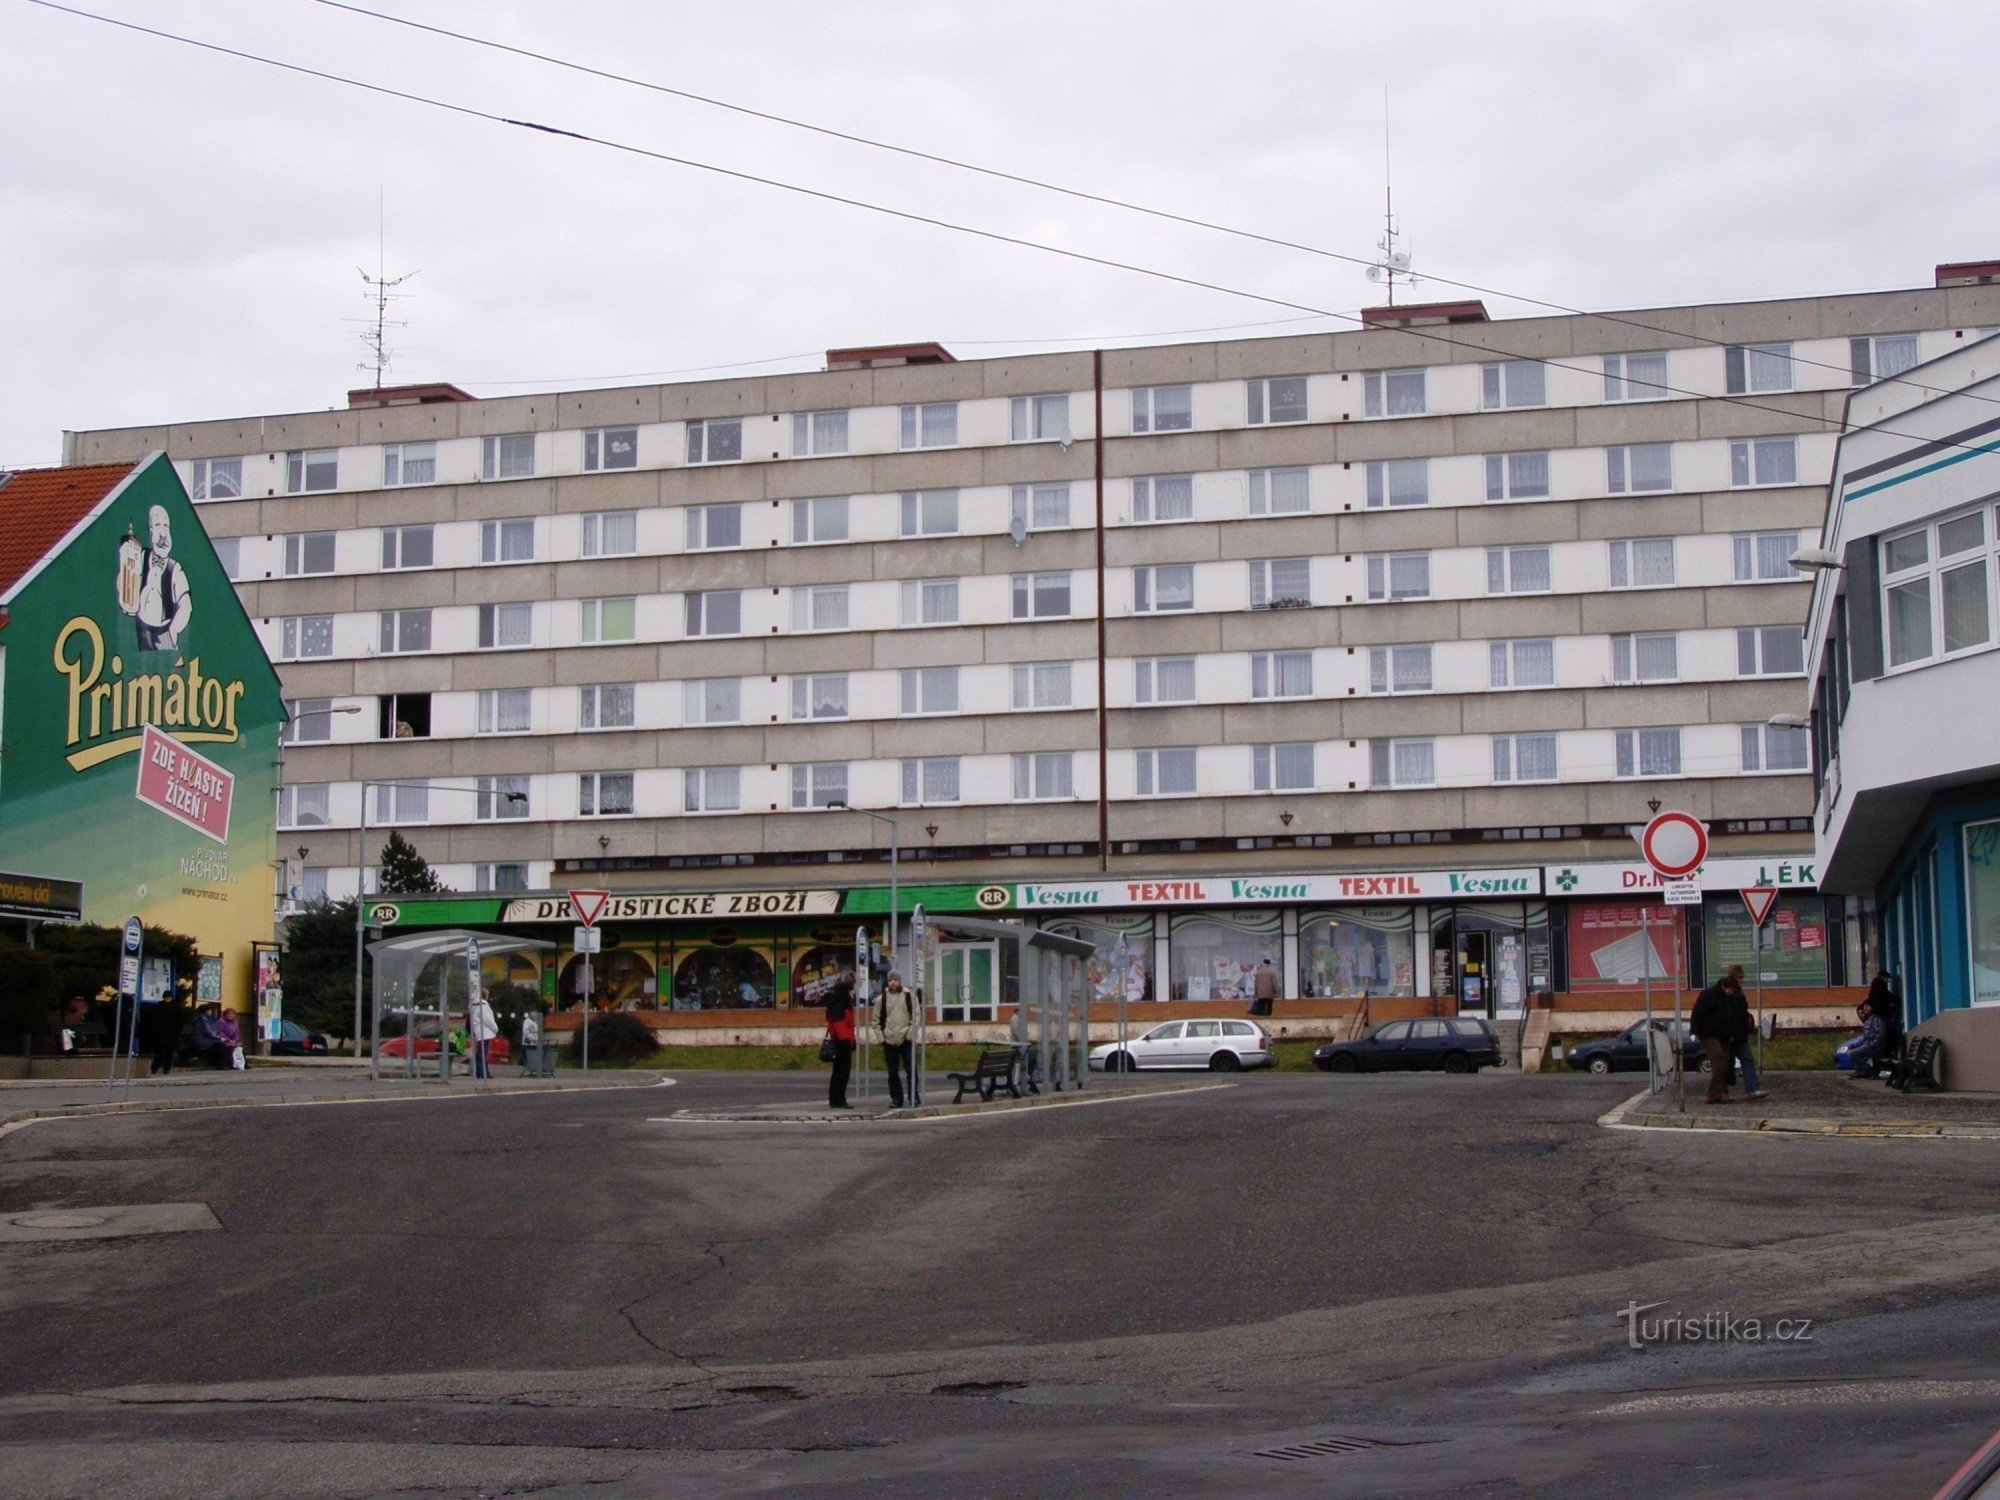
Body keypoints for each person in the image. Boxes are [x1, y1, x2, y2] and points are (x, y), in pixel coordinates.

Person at [1690, 970, 1741, 1104]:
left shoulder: (1731, 998)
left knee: (1726, 1062)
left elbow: (1733, 1016)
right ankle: (1713, 1094)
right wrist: (1694, 1032)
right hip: (1708, 1033)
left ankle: (1721, 1093)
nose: (1732, 993)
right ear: (1724, 987)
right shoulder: (1708, 995)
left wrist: (1733, 1033)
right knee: (1718, 1057)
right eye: (1730, 990)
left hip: (1725, 1034)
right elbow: (1696, 1013)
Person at [1719, 964, 1766, 1101]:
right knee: (1725, 1063)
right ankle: (1724, 1091)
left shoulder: (1736, 992)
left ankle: (1752, 1089)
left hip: (1738, 1034)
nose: (1742, 980)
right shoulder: (1730, 993)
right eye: (1740, 977)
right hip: (1730, 1034)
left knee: (1745, 1059)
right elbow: (1731, 1015)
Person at [876, 971, 920, 1109]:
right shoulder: (881, 999)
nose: (893, 982)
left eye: (895, 979)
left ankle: (914, 1097)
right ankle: (896, 1098)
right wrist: (881, 1038)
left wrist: (910, 1034)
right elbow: (875, 1021)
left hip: (906, 1038)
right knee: (892, 1072)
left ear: (900, 981)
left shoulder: (909, 996)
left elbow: (916, 1017)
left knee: (911, 1070)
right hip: (889, 1040)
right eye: (890, 980)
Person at [823, 970, 856, 1109]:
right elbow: (839, 1023)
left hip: (842, 1040)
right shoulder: (841, 1002)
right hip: (841, 1041)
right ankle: (839, 1099)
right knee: (841, 1073)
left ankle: (836, 1099)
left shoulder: (837, 999)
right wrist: (846, 1041)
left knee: (838, 1072)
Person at [147, 991, 187, 1076]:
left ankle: (166, 1069)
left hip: (173, 1034)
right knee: (160, 1052)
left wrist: (177, 1032)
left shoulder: (177, 1007)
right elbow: (154, 1019)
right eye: (166, 997)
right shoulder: (159, 1006)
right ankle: (154, 1068)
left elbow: (180, 1021)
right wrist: (156, 1029)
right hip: (162, 1033)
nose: (167, 999)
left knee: (169, 1052)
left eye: (169, 997)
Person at [469, 989, 499, 1080]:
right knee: (483, 1053)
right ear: (485, 995)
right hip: (485, 1032)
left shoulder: (475, 1005)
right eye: (488, 994)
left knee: (480, 1052)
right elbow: (487, 1019)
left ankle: (480, 1071)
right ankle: (483, 1072)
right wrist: (495, 1028)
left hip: (479, 1032)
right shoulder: (483, 1005)